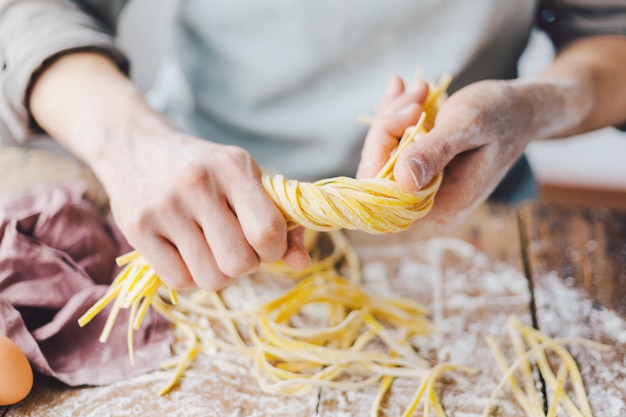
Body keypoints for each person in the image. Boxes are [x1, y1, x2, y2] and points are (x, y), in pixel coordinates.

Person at [1, 1, 625, 293]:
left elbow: (611, 32)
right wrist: (130, 142)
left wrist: (535, 104)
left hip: (476, 221)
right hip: (188, 210)